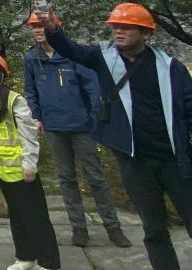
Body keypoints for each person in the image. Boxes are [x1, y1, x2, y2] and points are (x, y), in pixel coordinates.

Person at [38, 4, 192, 270]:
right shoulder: (105, 59)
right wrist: (52, 30)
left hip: (175, 158)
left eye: (127, 27)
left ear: (145, 33)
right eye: (115, 26)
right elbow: (70, 50)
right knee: (153, 228)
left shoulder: (170, 67)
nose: (119, 31)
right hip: (135, 160)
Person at [23, 13, 130, 248]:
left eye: (41, 26)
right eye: (33, 27)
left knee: (95, 177)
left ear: (53, 27)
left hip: (82, 126)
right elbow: (30, 91)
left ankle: (113, 227)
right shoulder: (31, 58)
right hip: (53, 126)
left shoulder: (72, 56)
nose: (37, 30)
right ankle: (78, 228)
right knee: (66, 179)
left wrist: (94, 120)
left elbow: (93, 89)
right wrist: (36, 116)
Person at [0, 51, 64, 270]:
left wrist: (29, 164)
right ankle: (25, 257)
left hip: (20, 170)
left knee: (36, 218)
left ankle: (51, 266)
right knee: (17, 217)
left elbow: (28, 135)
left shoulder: (14, 100)